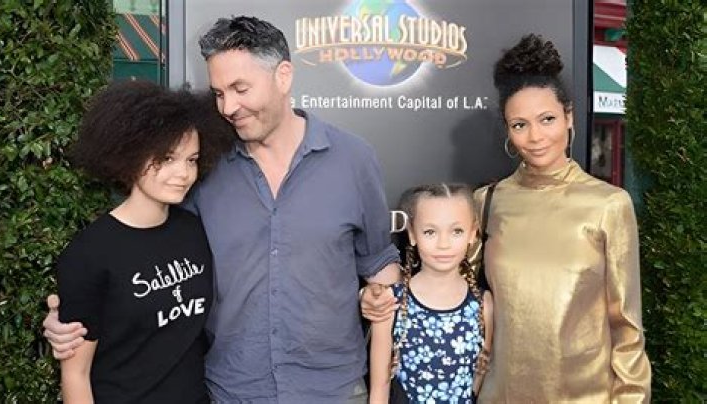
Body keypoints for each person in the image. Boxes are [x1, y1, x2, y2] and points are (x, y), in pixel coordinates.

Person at [44, 16, 401, 403]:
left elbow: (379, 262)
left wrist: (380, 298)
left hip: (334, 390)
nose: (228, 107)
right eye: (218, 93)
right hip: (231, 390)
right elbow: (147, 256)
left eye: (240, 88)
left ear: (283, 76)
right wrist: (73, 319)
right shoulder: (204, 167)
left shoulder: (354, 159)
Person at [363, 34, 651, 402]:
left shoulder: (609, 205)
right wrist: (373, 297)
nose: (535, 137)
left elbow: (627, 329)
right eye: (519, 125)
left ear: (569, 116)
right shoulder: (488, 201)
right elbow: (445, 284)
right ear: (507, 130)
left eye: (547, 119)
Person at [55, 80, 232, 403]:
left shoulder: (193, 230)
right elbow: (75, 374)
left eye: (191, 160)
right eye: (167, 158)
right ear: (130, 155)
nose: (183, 173)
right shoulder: (89, 254)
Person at [369, 184, 493, 404]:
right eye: (430, 232)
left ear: (472, 233)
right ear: (412, 234)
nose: (443, 244)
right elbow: (379, 389)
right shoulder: (391, 302)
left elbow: (479, 381)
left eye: (456, 231)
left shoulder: (483, 305)